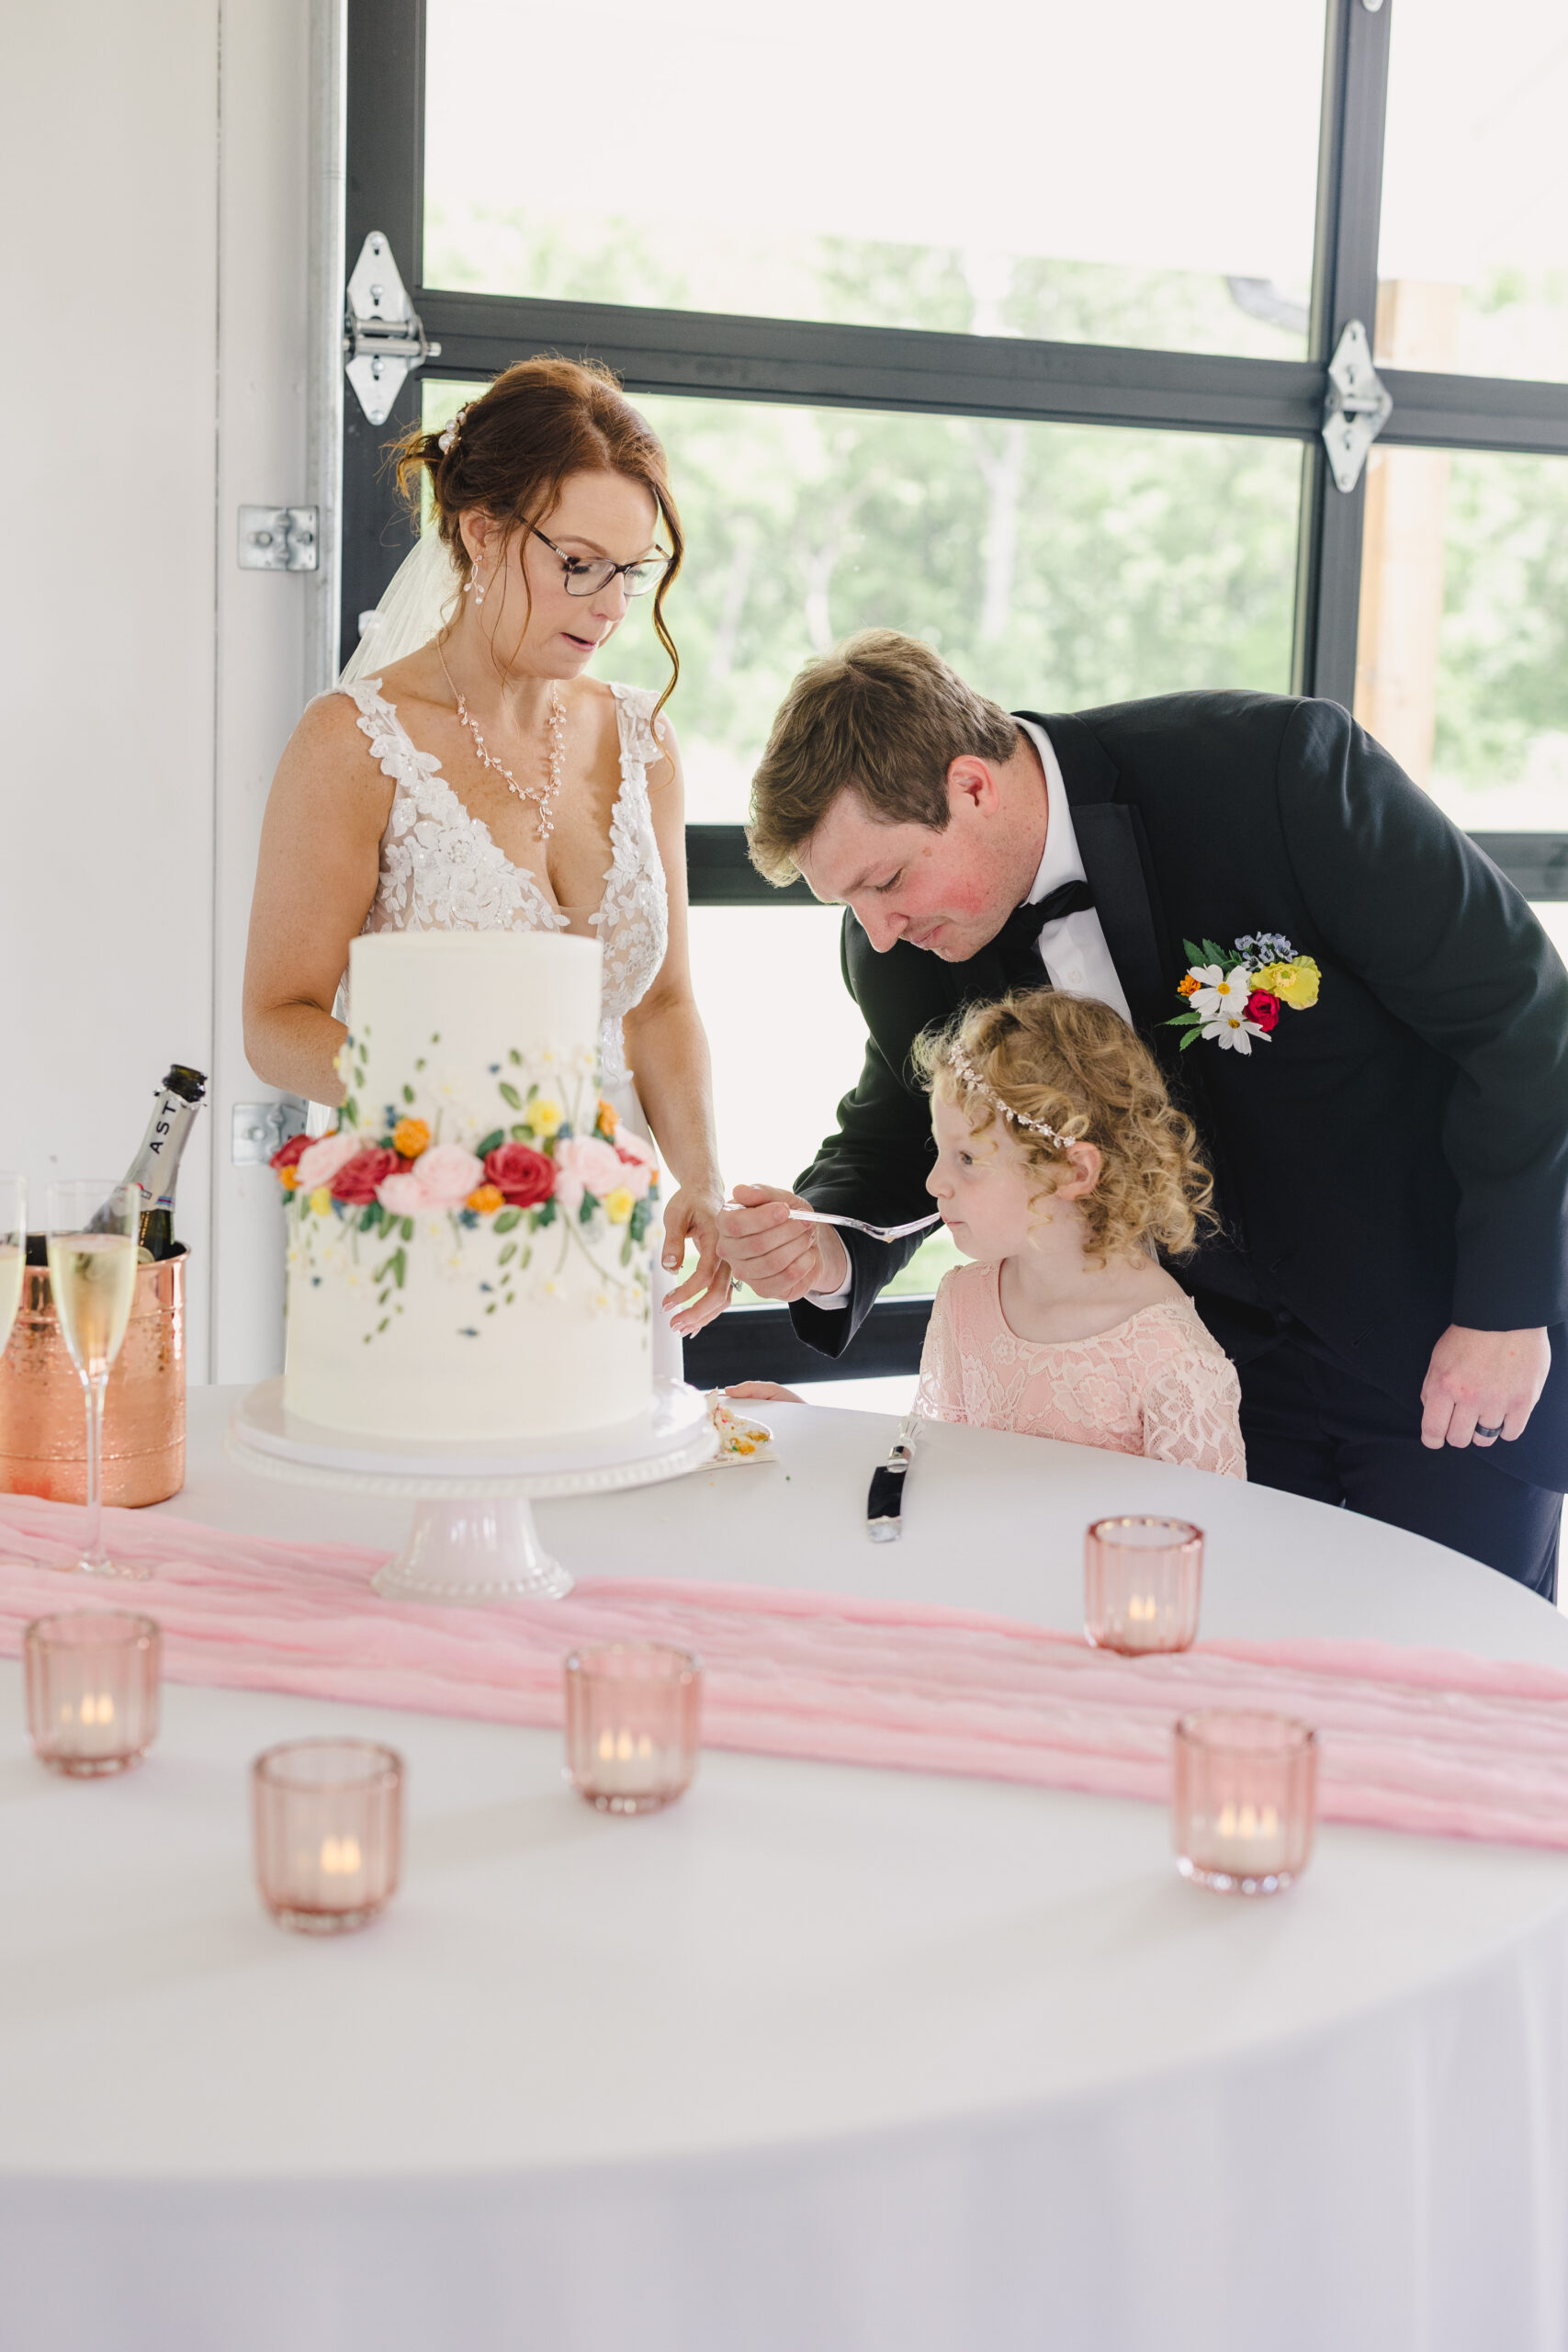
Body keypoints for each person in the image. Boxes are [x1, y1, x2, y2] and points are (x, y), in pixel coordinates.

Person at [720, 629, 1568, 1595]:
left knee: (1457, 1693)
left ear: (973, 787)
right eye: (849, 903)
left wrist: (1505, 1309)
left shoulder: (1277, 777)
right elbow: (906, 1116)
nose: (879, 929)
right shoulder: (902, 945)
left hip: (1440, 1341)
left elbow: (1524, 1020)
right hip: (1201, 1376)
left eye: (885, 881)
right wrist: (830, 1241)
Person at [243, 356, 729, 1339]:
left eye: (629, 574)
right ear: (482, 531)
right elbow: (277, 1022)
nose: (607, 608)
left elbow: (663, 1006)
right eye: (579, 563)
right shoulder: (355, 743)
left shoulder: (643, 739)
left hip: (612, 1229)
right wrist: (466, 1107)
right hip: (435, 1215)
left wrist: (704, 1181)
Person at [734, 990, 1245, 1475]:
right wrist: (814, 1431)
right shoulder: (966, 1299)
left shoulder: (1173, 1359)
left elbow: (1208, 1546)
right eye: (939, 1152)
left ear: (1073, 1172)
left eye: (968, 1159)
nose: (935, 1182)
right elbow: (928, 1471)